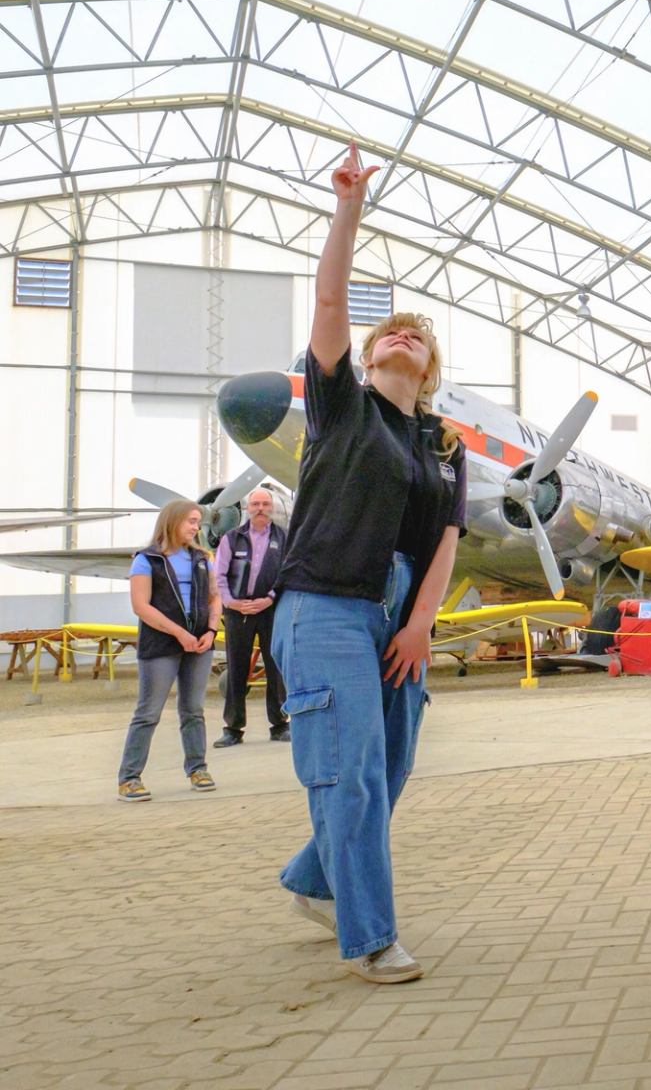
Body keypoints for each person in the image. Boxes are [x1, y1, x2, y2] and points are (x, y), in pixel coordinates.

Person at [271, 143, 466, 985]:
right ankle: (373, 937)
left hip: (396, 613)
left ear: (429, 370)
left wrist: (421, 623)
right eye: (392, 328)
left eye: (417, 336)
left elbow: (447, 541)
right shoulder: (340, 406)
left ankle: (315, 880)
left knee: (389, 767)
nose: (400, 335)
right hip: (322, 605)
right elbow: (329, 297)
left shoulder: (442, 449)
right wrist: (348, 207)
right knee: (349, 773)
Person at [119, 499, 222, 802]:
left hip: (199, 645)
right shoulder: (146, 560)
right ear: (172, 521)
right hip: (162, 646)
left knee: (193, 710)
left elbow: (215, 598)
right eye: (191, 521)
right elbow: (141, 606)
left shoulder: (203, 559)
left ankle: (198, 768)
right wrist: (179, 633)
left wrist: (211, 630)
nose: (196, 527)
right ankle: (129, 778)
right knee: (148, 712)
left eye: (197, 522)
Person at [213, 488, 288, 746]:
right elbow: (219, 575)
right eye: (255, 503)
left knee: (275, 666)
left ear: (272, 508)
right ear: (247, 508)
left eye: (265, 504)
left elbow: (288, 574)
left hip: (270, 609)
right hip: (237, 613)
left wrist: (269, 598)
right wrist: (231, 603)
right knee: (236, 667)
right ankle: (232, 728)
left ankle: (279, 724)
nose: (259, 508)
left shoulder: (285, 539)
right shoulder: (231, 538)